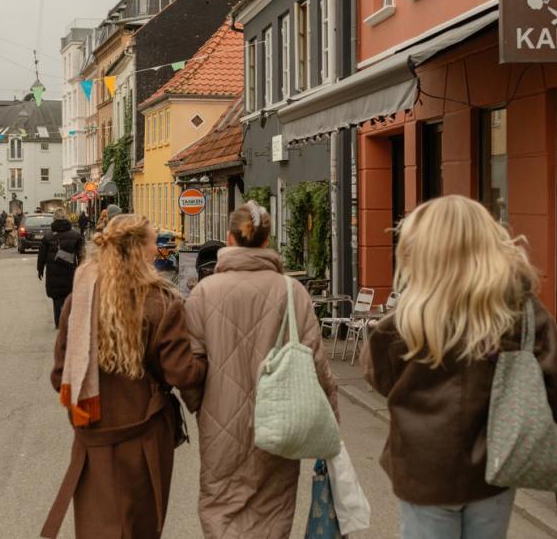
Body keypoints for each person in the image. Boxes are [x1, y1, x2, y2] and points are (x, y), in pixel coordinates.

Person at [363, 195, 557, 539]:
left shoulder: (404, 323)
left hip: (423, 470)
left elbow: (379, 377)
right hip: (493, 467)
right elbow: (550, 381)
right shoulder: (522, 314)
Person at [40, 214, 207, 539]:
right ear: (138, 251)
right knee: (142, 526)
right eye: (151, 244)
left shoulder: (79, 301)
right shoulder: (162, 302)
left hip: (94, 436)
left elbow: (61, 377)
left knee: (98, 529)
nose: (156, 251)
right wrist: (203, 361)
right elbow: (181, 373)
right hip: (145, 436)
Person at [182, 201, 339, 539]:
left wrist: (200, 403)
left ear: (229, 238)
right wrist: (330, 424)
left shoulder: (203, 294)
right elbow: (317, 364)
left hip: (220, 424)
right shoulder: (292, 291)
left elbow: (191, 366)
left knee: (220, 508)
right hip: (280, 425)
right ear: (267, 241)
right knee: (273, 512)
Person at [37, 208, 85, 329]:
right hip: (70, 272)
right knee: (69, 296)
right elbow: (81, 254)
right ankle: (69, 320)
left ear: (54, 218)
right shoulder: (75, 235)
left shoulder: (48, 236)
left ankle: (59, 322)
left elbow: (41, 255)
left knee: (56, 298)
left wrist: (40, 269)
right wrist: (82, 268)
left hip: (53, 273)